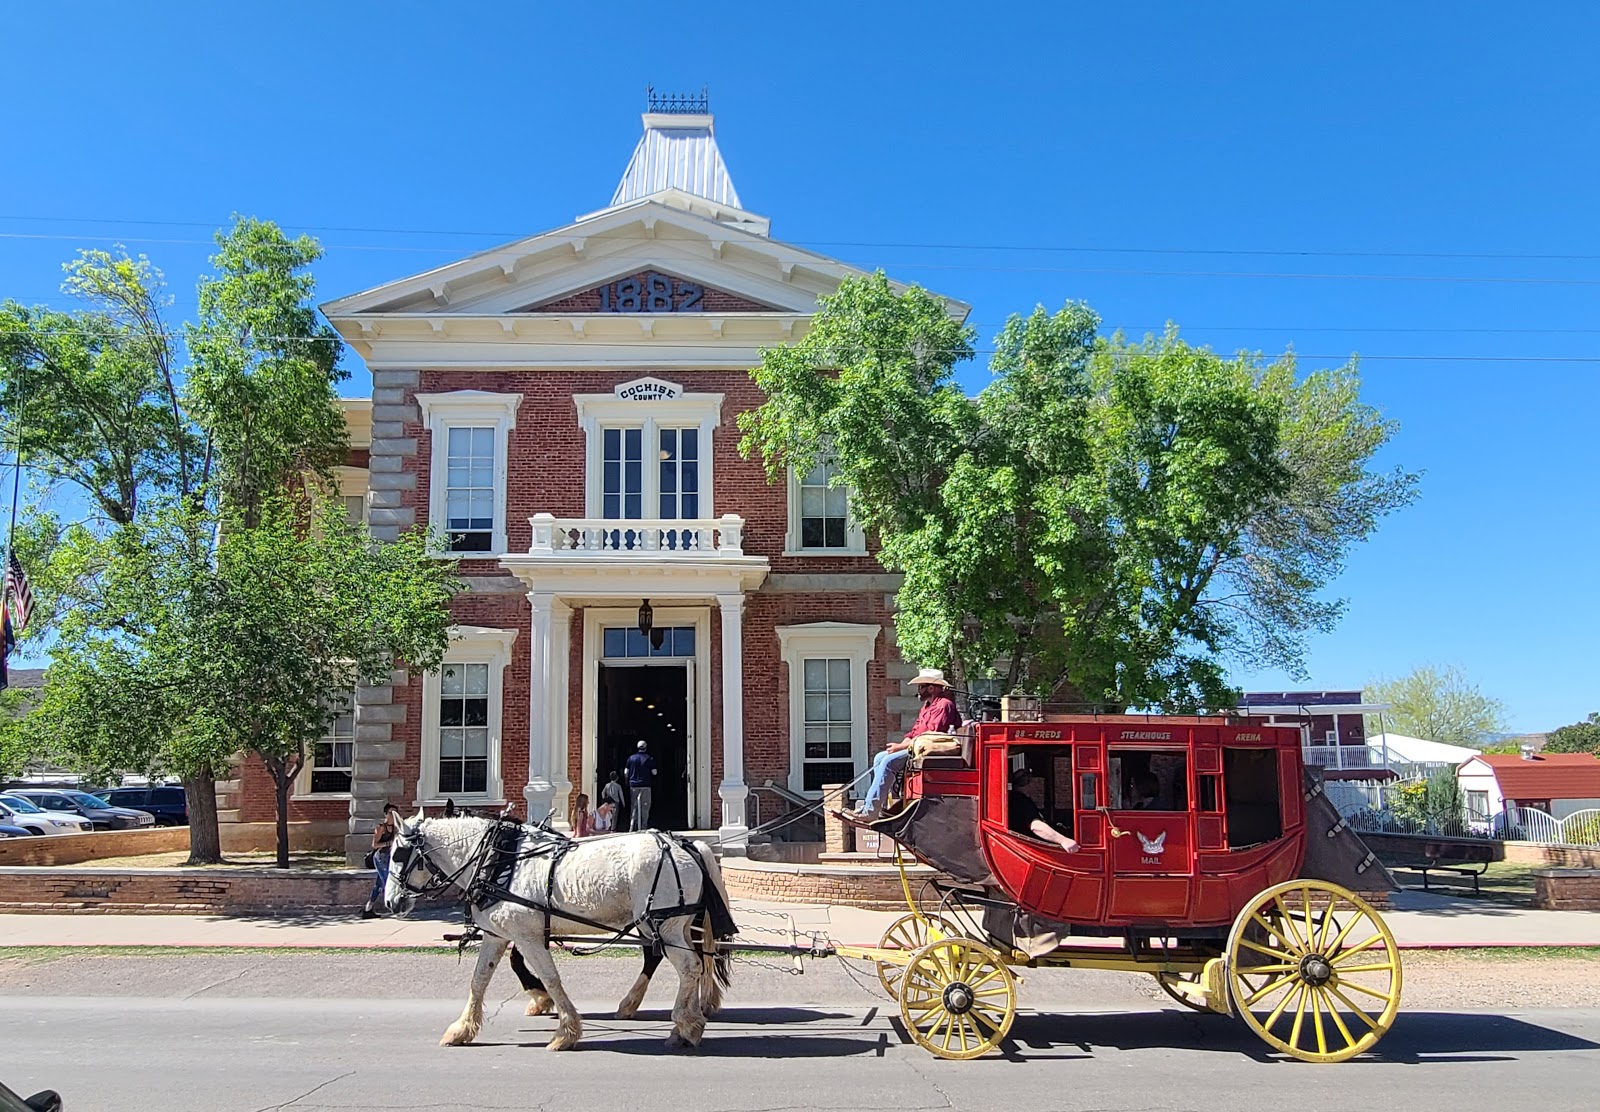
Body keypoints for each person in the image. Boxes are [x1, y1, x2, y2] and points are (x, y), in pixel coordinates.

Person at [846, 667, 962, 821]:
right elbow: (914, 733)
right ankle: (878, 806)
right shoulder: (926, 707)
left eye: (921, 687)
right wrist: (898, 746)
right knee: (880, 757)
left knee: (888, 762)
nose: (918, 691)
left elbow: (930, 736)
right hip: (917, 748)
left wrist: (900, 748)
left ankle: (870, 812)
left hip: (931, 751)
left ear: (931, 688)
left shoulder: (944, 705)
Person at [1006, 768, 1080, 852]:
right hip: (1032, 848)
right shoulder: (1021, 801)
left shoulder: (1016, 799)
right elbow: (1035, 826)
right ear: (1028, 782)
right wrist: (1063, 840)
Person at [361, 803, 401, 919]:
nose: (393, 816)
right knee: (387, 880)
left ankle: (368, 908)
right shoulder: (381, 827)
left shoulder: (395, 827)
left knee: (378, 883)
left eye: (395, 813)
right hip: (380, 857)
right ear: (385, 814)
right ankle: (393, 906)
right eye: (390, 813)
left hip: (390, 857)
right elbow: (374, 845)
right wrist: (388, 843)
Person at [626, 739, 657, 831]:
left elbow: (626, 772)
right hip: (645, 785)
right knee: (645, 806)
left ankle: (632, 826)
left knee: (634, 806)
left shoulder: (631, 758)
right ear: (646, 748)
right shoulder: (649, 758)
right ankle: (643, 827)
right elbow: (654, 772)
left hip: (633, 785)